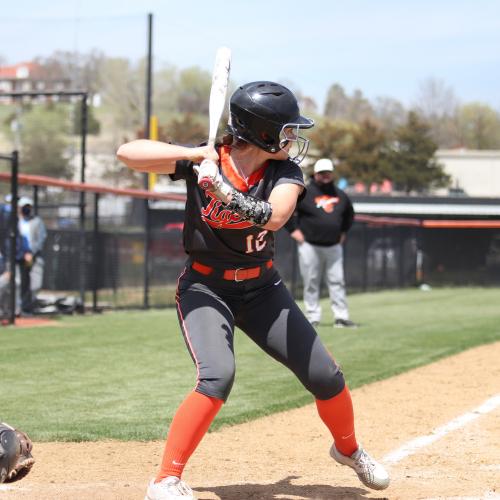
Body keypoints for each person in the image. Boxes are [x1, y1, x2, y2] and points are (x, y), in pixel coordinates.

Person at [117, 81, 389, 500]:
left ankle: (349, 450)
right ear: (262, 133)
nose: (293, 139)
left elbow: (275, 216)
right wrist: (193, 156)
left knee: (325, 376)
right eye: (286, 130)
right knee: (217, 376)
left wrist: (221, 189)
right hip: (206, 288)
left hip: (263, 289)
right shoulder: (206, 159)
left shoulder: (286, 171)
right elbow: (127, 154)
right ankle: (166, 479)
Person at [287, 158, 358, 329]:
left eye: (328, 173)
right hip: (310, 245)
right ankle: (312, 317)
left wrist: (343, 232)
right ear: (315, 174)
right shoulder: (305, 192)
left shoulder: (340, 194)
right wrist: (293, 231)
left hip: (333, 246)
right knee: (311, 281)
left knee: (337, 281)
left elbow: (349, 215)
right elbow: (287, 210)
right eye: (322, 173)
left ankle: (341, 317)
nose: (325, 176)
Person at [17, 197, 47, 314]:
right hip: (20, 257)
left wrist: (31, 252)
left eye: (28, 206)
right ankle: (21, 308)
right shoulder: (15, 221)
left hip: (34, 256)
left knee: (36, 283)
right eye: (24, 206)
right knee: (21, 282)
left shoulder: (37, 221)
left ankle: (28, 305)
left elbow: (41, 238)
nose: (26, 209)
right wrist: (23, 253)